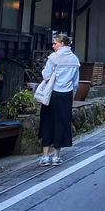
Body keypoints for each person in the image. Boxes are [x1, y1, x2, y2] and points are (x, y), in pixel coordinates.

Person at [36, 33, 80, 167]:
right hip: (66, 95)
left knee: (47, 122)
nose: (53, 45)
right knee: (61, 123)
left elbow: (46, 75)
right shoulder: (74, 59)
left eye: (55, 43)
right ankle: (56, 156)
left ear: (61, 44)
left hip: (53, 94)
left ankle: (45, 156)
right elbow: (75, 82)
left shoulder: (53, 58)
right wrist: (72, 96)